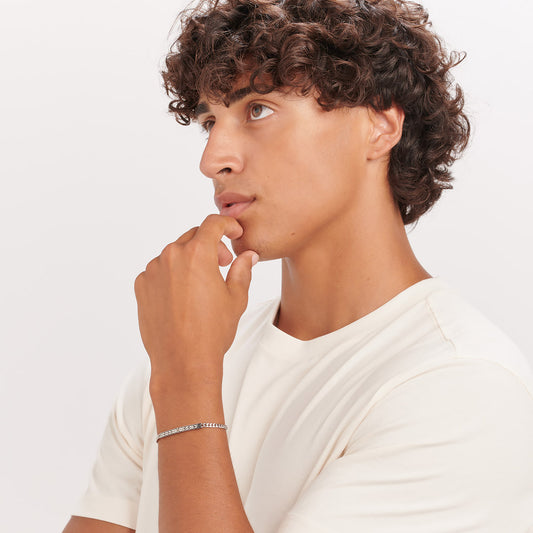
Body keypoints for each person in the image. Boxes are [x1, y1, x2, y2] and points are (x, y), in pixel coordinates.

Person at [62, 0, 533, 531]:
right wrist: (180, 370)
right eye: (210, 120)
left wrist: (187, 383)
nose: (212, 159)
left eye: (258, 109)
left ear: (380, 126)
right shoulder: (186, 351)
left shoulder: (463, 387)